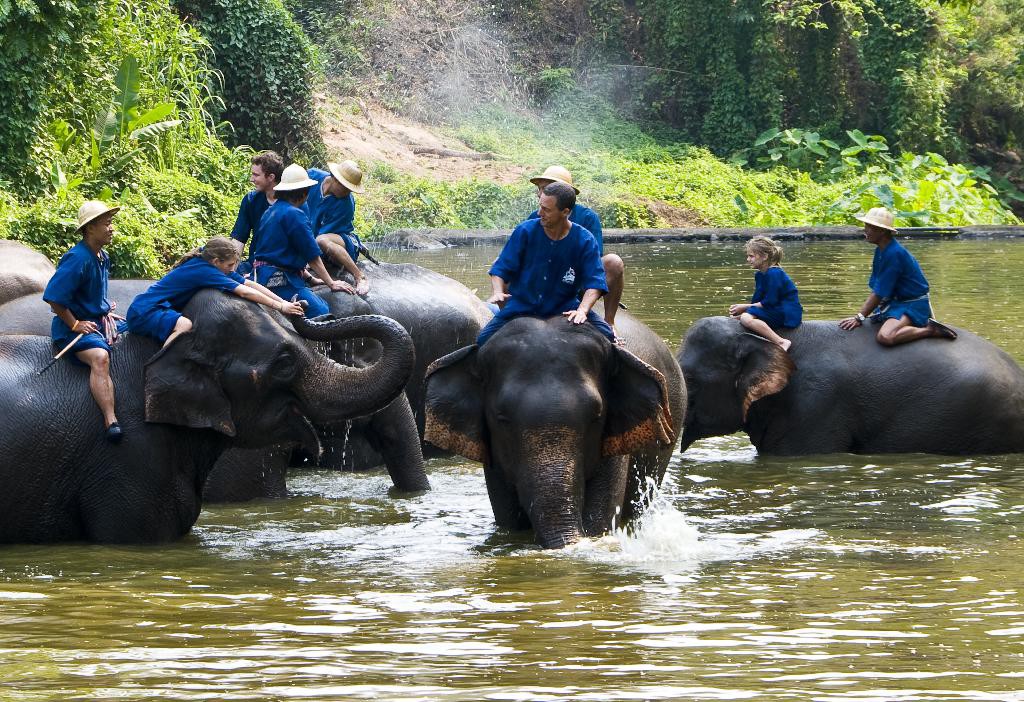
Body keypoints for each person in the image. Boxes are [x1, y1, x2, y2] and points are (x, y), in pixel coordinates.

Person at [476, 181, 612, 346]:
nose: (540, 213)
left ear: (565, 212)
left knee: (609, 337)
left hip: (564, 305)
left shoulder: (585, 240)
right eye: (540, 206)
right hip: (521, 305)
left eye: (546, 209)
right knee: (482, 341)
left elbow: (595, 281)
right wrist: (498, 291)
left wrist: (582, 310)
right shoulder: (525, 231)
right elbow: (502, 267)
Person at [43, 200, 126, 442]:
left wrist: (103, 309)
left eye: (111, 223)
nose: (111, 228)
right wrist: (75, 324)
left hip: (97, 321)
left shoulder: (102, 256)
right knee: (100, 358)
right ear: (90, 228)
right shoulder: (77, 259)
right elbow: (54, 298)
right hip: (75, 328)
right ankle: (110, 419)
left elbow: (95, 291)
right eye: (106, 224)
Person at [127, 237, 305, 348]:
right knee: (185, 325)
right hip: (146, 310)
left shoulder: (214, 267)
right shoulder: (205, 270)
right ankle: (162, 366)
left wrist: (284, 302)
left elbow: (249, 283)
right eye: (229, 266)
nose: (231, 269)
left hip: (153, 307)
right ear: (215, 261)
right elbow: (244, 292)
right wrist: (280, 306)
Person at [527, 165, 625, 336]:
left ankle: (609, 321)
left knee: (613, 263)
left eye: (545, 189)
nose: (539, 193)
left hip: (578, 278)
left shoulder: (587, 217)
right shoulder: (535, 216)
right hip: (545, 279)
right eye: (540, 189)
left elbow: (593, 259)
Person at [839, 207, 957, 344]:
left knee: (886, 337)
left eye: (869, 226)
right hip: (895, 302)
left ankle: (930, 330)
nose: (865, 229)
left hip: (912, 304)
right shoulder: (881, 250)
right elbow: (878, 285)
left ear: (882, 231)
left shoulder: (894, 253)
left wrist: (859, 317)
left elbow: (879, 292)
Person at [251, 163, 354, 317]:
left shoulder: (270, 211)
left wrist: (310, 278)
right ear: (304, 193)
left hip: (261, 275)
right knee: (322, 312)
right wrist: (331, 283)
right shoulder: (295, 215)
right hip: (281, 280)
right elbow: (311, 256)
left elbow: (279, 252)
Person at [306, 160, 370, 295]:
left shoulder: (346, 204)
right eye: (345, 188)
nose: (348, 192)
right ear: (335, 179)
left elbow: (323, 233)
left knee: (321, 240)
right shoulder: (312, 177)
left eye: (350, 189)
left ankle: (359, 276)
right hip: (309, 234)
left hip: (338, 240)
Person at [728, 236, 802, 351]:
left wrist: (745, 308)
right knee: (739, 317)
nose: (748, 259)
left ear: (765, 257)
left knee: (746, 319)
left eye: (751, 256)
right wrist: (747, 310)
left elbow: (770, 302)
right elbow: (758, 299)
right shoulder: (760, 274)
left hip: (785, 312)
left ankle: (781, 341)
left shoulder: (774, 273)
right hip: (774, 309)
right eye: (748, 256)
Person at [230, 151, 283, 277]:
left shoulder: (292, 203)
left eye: (256, 175)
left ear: (271, 177)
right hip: (253, 264)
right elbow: (239, 239)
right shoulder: (251, 200)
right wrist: (230, 269)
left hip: (281, 266)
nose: (251, 179)